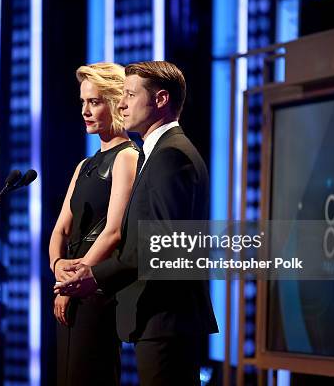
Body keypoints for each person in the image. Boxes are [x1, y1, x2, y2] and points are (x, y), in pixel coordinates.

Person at [56, 61, 218, 386]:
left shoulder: (172, 155)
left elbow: (159, 244)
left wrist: (94, 275)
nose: (123, 104)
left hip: (166, 317)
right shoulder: (158, 153)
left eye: (130, 95)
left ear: (160, 100)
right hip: (158, 318)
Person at [48, 62, 139, 386]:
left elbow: (114, 231)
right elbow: (60, 229)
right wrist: (58, 266)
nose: (85, 110)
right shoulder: (85, 164)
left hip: (95, 290)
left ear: (115, 102)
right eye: (83, 102)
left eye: (95, 102)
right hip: (71, 287)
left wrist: (73, 282)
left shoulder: (127, 156)